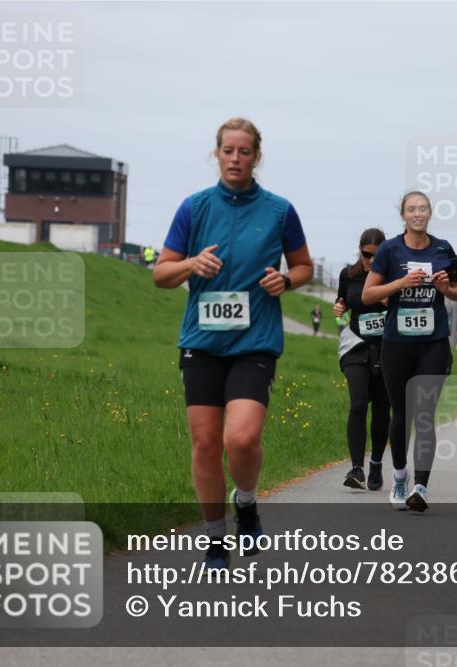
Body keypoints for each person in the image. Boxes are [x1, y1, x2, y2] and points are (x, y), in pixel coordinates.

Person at [153, 117, 313, 569]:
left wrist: (286, 279)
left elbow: (303, 266)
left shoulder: (279, 210)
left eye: (245, 152)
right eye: (228, 151)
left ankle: (246, 504)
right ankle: (215, 538)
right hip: (201, 343)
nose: (236, 159)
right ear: (216, 154)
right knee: (205, 444)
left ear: (256, 157)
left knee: (241, 440)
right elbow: (161, 274)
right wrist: (190, 264)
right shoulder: (195, 207)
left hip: (255, 342)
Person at [362, 191, 457, 512]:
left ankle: (420, 487)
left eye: (423, 208)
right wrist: (401, 283)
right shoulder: (390, 250)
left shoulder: (443, 248)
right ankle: (398, 477)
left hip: (433, 342)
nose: (418, 213)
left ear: (430, 213)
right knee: (401, 413)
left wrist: (445, 288)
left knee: (424, 414)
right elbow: (368, 295)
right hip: (396, 343)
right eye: (412, 209)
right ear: (403, 215)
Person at [333, 229, 392, 490]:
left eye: (375, 255)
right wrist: (339, 307)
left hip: (386, 349)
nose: (370, 260)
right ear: (360, 251)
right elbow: (343, 301)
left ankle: (376, 464)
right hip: (356, 346)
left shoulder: (391, 275)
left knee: (381, 409)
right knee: (358, 404)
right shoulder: (349, 274)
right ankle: (356, 468)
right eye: (366, 254)